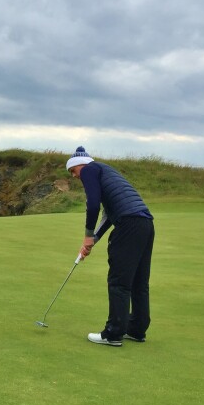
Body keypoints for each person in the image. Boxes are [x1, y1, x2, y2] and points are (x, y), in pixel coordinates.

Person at [66, 146, 155, 347]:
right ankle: (137, 329)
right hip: (145, 224)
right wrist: (93, 240)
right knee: (139, 281)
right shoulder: (105, 171)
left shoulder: (89, 169)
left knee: (119, 281)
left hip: (128, 226)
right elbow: (108, 215)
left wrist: (87, 235)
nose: (73, 177)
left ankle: (113, 333)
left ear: (80, 165)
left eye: (73, 171)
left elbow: (93, 205)